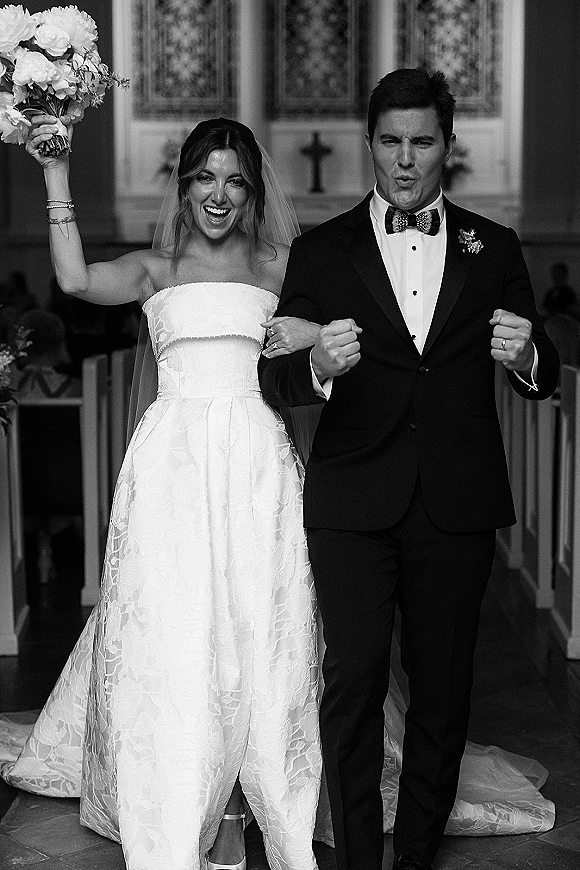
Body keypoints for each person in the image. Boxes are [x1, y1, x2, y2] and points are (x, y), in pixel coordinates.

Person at [0, 115, 322, 870]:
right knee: (180, 634)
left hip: (258, 467)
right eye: (205, 177)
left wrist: (312, 334)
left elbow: (346, 325)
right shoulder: (156, 269)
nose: (219, 195)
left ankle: (247, 802)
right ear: (184, 187)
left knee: (257, 631)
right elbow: (75, 280)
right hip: (171, 468)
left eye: (235, 181)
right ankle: (184, 801)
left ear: (253, 192)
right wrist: (54, 170)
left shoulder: (281, 267)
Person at [258, 68, 560, 870]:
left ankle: (417, 855)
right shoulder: (321, 251)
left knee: (443, 690)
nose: (404, 158)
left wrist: (526, 353)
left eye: (421, 141)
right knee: (352, 684)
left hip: (457, 502)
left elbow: (542, 367)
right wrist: (317, 365)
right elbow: (273, 378)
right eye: (390, 140)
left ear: (446, 146)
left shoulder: (494, 246)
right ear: (369, 143)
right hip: (352, 502)